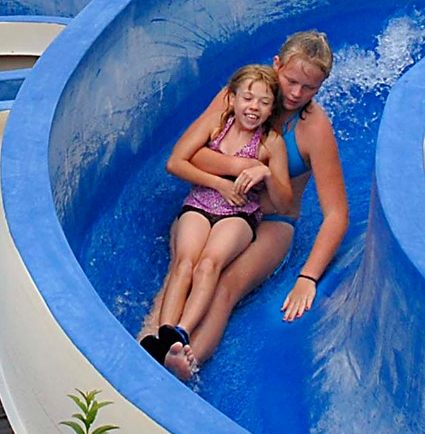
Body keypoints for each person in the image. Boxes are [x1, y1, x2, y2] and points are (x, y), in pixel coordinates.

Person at [142, 32, 349, 377]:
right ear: (276, 65)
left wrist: (308, 277)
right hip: (215, 202)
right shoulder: (240, 96)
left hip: (273, 220)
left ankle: (187, 360)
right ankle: (147, 344)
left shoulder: (313, 128)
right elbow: (189, 155)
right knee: (183, 268)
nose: (297, 94)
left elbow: (336, 214)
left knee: (225, 283)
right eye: (291, 81)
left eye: (310, 87)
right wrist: (240, 167)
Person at [141, 64, 291, 379]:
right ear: (232, 99)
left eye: (264, 103)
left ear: (271, 108)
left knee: (209, 264)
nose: (254, 108)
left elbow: (282, 202)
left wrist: (266, 172)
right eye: (248, 99)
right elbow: (175, 163)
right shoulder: (215, 124)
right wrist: (221, 183)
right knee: (185, 263)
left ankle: (183, 330)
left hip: (238, 214)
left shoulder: (270, 143)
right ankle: (163, 336)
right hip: (200, 203)